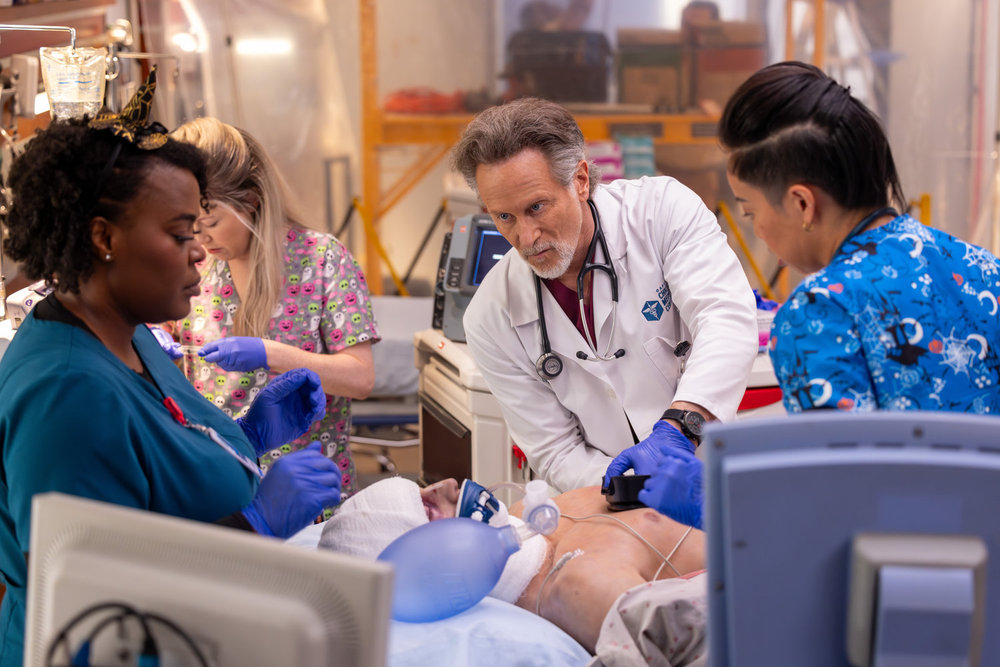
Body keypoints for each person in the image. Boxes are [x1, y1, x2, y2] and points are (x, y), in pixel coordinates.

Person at [0, 73, 341, 667]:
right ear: (103, 237)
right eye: (181, 232)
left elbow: (157, 455)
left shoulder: (128, 333)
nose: (200, 251)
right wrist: (252, 525)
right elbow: (87, 602)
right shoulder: (65, 391)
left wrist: (248, 435)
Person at [641, 60, 1000, 530]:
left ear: (802, 203)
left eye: (748, 211)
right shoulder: (981, 266)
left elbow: (834, 512)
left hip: (917, 578)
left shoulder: (819, 311)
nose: (758, 229)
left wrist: (716, 502)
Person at [451, 97, 758, 492]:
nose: (525, 238)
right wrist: (633, 490)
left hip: (710, 468)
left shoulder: (660, 212)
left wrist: (683, 427)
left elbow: (726, 318)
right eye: (504, 217)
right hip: (603, 499)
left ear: (580, 180)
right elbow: (556, 450)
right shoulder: (491, 315)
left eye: (537, 207)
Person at [163, 118, 379, 499]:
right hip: (222, 487)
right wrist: (155, 341)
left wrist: (270, 354)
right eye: (188, 226)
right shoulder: (192, 263)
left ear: (251, 199)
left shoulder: (321, 258)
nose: (200, 238)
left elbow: (360, 379)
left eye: (210, 221)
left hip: (309, 495)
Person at [318, 476, 707, 660]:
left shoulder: (524, 514)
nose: (449, 484)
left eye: (425, 485)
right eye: (427, 507)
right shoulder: (575, 585)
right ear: (430, 566)